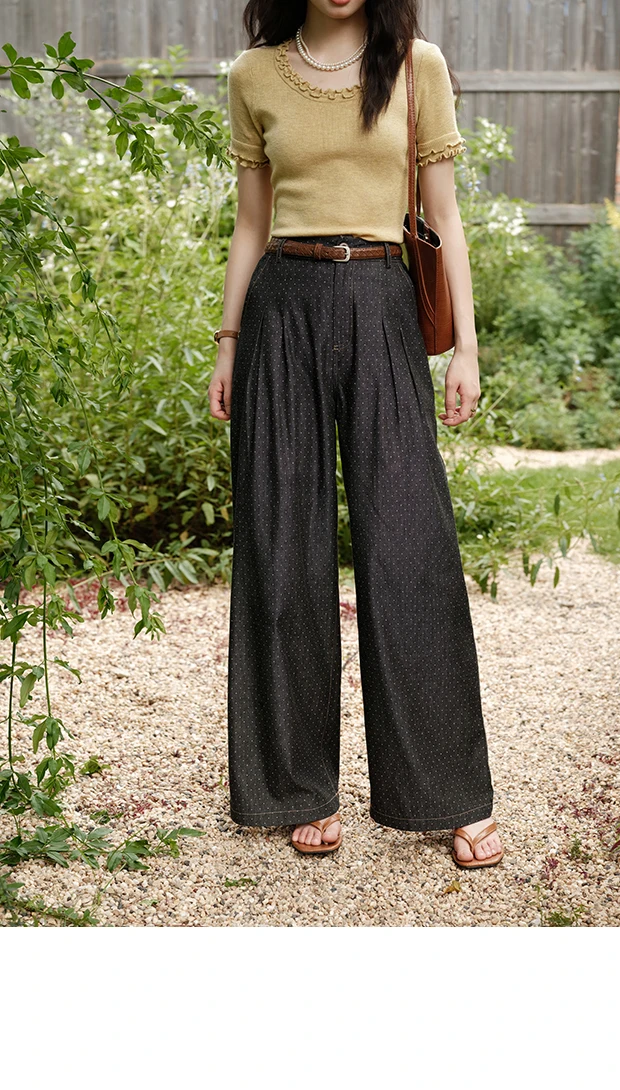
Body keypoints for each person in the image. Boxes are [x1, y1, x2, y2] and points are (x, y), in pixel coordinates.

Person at [208, 0, 504, 869]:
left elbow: (445, 217)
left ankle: (447, 793)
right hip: (281, 310)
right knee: (281, 549)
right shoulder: (254, 74)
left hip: (382, 304)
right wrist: (227, 344)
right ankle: (298, 788)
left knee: (412, 549)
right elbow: (251, 223)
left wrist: (466, 352)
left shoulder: (416, 65)